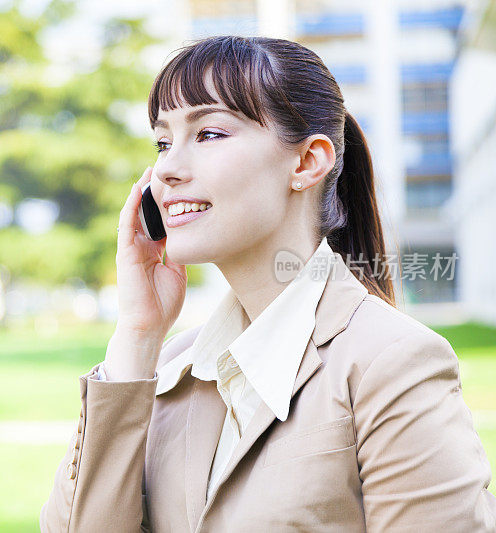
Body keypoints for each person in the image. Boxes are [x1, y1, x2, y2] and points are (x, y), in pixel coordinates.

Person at [39, 35, 496, 532]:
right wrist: (138, 335)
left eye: (209, 133)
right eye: (164, 142)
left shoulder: (391, 363)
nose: (166, 169)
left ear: (305, 163)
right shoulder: (166, 367)